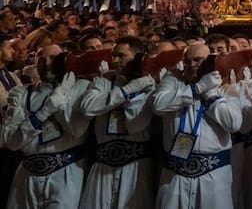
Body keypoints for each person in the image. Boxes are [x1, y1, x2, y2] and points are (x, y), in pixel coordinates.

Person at [152, 41, 243, 209]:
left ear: (210, 62)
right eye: (187, 61)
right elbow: (158, 104)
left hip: (213, 176)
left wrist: (210, 93)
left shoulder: (225, 87)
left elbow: (233, 123)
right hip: (175, 174)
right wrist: (197, 88)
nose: (191, 65)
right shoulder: (173, 80)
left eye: (198, 60)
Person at [3, 49, 90, 208]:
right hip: (26, 175)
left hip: (65, 174)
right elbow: (11, 142)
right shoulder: (21, 93)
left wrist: (61, 93)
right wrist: (45, 111)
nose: (47, 63)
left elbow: (77, 130)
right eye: (41, 59)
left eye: (53, 58)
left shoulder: (80, 87)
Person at [79, 36, 157, 209]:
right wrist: (126, 91)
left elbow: (136, 123)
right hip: (103, 165)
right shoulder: (103, 81)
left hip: (136, 166)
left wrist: (137, 88)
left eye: (121, 55)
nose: (114, 60)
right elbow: (88, 108)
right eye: (113, 55)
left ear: (137, 57)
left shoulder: (149, 84)